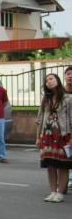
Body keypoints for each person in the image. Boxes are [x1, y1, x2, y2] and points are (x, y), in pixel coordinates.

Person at [35, 73, 72, 203]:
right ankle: (52, 191)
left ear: (57, 80)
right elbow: (39, 119)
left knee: (62, 165)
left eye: (51, 78)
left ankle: (60, 193)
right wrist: (38, 137)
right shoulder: (46, 99)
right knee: (50, 165)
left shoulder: (68, 98)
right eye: (46, 80)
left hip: (63, 135)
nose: (49, 82)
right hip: (47, 135)